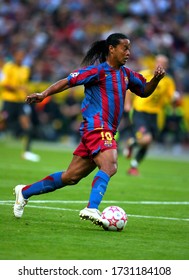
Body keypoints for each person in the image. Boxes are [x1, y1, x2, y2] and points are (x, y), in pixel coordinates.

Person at [13, 33, 165, 226]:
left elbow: (144, 91)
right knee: (110, 165)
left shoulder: (127, 75)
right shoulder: (98, 71)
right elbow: (68, 81)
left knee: (71, 177)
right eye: (124, 48)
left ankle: (24, 192)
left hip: (104, 130)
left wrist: (156, 80)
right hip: (97, 127)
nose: (128, 52)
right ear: (112, 49)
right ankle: (91, 207)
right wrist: (43, 94)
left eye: (129, 48)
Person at [124, 55, 176, 176]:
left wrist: (175, 99)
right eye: (159, 62)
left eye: (164, 63)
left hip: (156, 115)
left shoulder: (168, 81)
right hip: (140, 111)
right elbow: (128, 88)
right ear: (154, 63)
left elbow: (171, 97)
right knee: (146, 139)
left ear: (167, 66)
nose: (161, 65)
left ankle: (133, 165)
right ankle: (133, 144)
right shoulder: (144, 74)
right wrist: (127, 104)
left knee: (148, 142)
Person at [0, 49, 40, 162]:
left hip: (20, 102)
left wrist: (26, 92)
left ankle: (27, 152)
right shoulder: (8, 67)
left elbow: (24, 85)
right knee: (2, 125)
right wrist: (18, 88)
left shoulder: (25, 69)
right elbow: (4, 84)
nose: (20, 58)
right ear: (14, 56)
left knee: (28, 126)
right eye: (19, 56)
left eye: (22, 56)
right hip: (9, 101)